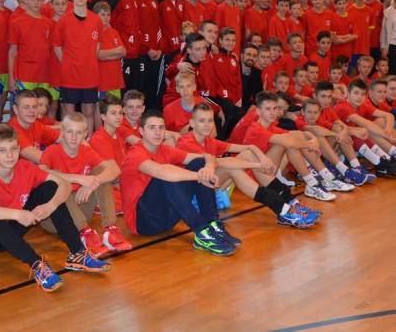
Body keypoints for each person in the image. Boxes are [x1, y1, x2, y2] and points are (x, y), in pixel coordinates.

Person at [0, 124, 110, 292]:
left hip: (11, 233)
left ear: (19, 149)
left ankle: (77, 252)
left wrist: (50, 206)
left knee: (49, 188)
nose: (9, 155)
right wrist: (17, 214)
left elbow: (64, 185)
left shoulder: (26, 168)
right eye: (2, 150)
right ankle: (36, 264)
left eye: (13, 149)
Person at [179, 103, 316, 229]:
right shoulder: (186, 142)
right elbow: (218, 162)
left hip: (209, 190)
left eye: (210, 120)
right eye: (202, 121)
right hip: (192, 198)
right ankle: (282, 209)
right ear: (192, 123)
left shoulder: (209, 141)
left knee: (247, 154)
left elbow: (249, 147)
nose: (207, 125)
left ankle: (290, 202)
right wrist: (256, 164)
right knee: (232, 168)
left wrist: (261, 158)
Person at [120, 110, 237, 255]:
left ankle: (213, 224)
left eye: (161, 127)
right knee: (167, 175)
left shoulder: (164, 150)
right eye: (152, 128)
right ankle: (202, 233)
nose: (157, 132)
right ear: (141, 131)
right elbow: (162, 172)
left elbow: (207, 156)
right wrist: (200, 176)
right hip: (143, 223)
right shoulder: (135, 154)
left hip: (167, 219)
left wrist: (208, 168)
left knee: (199, 162)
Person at [40, 113, 132, 257]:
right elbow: (41, 173)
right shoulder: (52, 151)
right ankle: (84, 233)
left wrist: (92, 183)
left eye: (78, 133)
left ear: (85, 134)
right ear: (62, 132)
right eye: (69, 132)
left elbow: (114, 170)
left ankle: (110, 230)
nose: (73, 137)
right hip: (55, 218)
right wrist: (78, 179)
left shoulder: (86, 151)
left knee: (100, 173)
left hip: (81, 209)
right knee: (59, 183)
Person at [53, 0, 103, 135]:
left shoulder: (96, 20)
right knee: (69, 112)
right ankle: (69, 141)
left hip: (89, 73)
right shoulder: (63, 20)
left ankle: (87, 141)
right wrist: (66, 63)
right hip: (70, 74)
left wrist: (89, 60)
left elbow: (98, 43)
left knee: (89, 111)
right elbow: (57, 46)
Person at [7, 0, 53, 99]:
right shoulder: (17, 23)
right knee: (23, 106)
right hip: (24, 74)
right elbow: (12, 52)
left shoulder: (49, 23)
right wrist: (11, 78)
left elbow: (51, 51)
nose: (36, 2)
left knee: (42, 107)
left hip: (45, 74)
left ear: (44, 0)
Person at [135, 0, 164, 109]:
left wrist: (159, 48)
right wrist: (147, 49)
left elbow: (158, 26)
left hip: (155, 51)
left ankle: (151, 114)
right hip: (141, 52)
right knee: (141, 87)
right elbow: (135, 28)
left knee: (153, 87)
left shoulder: (153, 0)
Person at [110, 0, 141, 91]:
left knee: (133, 89)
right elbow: (108, 25)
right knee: (123, 89)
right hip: (123, 53)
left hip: (135, 52)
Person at [93, 1, 125, 104]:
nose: (106, 17)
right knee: (100, 109)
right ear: (95, 16)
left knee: (115, 107)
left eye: (108, 15)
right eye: (103, 14)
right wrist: (115, 53)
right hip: (101, 80)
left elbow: (123, 52)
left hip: (115, 79)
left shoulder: (114, 32)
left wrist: (105, 55)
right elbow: (97, 55)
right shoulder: (93, 33)